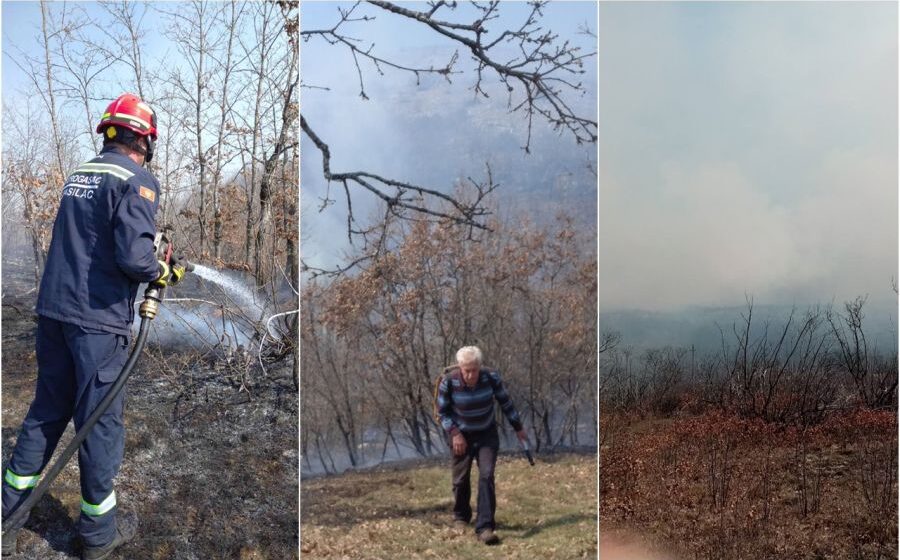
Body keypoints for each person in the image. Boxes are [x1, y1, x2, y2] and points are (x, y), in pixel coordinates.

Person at [1, 93, 184, 559]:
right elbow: (133, 258)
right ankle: (98, 535)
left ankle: (7, 515)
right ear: (146, 139)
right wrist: (163, 271)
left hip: (54, 313)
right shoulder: (139, 180)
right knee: (99, 425)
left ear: (108, 132)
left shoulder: (81, 174)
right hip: (96, 323)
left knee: (46, 411)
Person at [435, 346, 528, 545]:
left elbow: (505, 402)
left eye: (474, 370)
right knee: (460, 480)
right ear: (460, 367)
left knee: (486, 475)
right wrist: (455, 434)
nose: (470, 375)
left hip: (486, 433)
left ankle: (485, 526)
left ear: (479, 367)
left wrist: (518, 427)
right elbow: (442, 413)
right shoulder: (448, 381)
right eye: (466, 370)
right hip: (461, 435)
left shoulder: (491, 378)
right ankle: (461, 515)